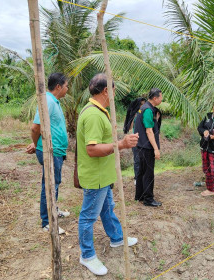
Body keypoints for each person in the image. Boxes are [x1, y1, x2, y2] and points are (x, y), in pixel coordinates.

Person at [77, 73, 139, 276]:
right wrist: (120, 145)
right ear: (106, 91)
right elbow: (92, 149)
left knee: (107, 209)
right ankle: (87, 255)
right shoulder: (94, 115)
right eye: (113, 90)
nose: (113, 93)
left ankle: (117, 238)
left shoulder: (98, 111)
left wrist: (120, 143)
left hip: (103, 175)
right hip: (96, 176)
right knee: (88, 217)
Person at [26, 72, 70, 234]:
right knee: (50, 185)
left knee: (54, 182)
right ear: (58, 86)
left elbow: (46, 127)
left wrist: (35, 142)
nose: (67, 89)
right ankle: (47, 221)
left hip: (56, 150)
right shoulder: (48, 102)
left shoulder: (53, 102)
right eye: (66, 86)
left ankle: (54, 210)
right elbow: (35, 127)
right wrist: (37, 143)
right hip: (50, 151)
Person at [134, 88, 163, 207]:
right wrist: (156, 148)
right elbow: (149, 131)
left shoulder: (144, 107)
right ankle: (148, 199)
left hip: (140, 145)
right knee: (148, 173)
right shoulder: (148, 110)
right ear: (155, 98)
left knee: (141, 171)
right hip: (147, 147)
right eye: (161, 97)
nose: (162, 99)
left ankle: (139, 195)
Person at [123, 97, 147, 185]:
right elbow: (129, 127)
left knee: (144, 160)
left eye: (144, 103)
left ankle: (143, 178)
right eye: (141, 104)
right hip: (135, 140)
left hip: (144, 140)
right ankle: (137, 178)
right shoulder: (135, 114)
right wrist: (134, 117)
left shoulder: (146, 113)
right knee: (137, 160)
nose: (143, 105)